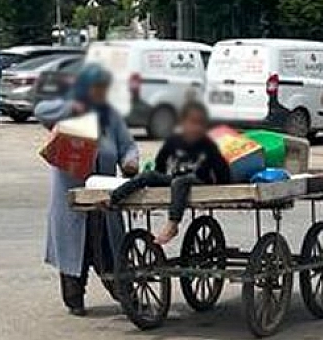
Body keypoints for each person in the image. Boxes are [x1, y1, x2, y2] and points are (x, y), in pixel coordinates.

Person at [36, 64, 140, 316]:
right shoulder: (66, 109)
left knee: (110, 250)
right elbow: (40, 110)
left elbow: (127, 145)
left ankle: (128, 298)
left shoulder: (110, 116)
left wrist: (129, 161)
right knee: (74, 254)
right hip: (71, 199)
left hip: (104, 197)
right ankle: (74, 298)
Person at [109, 101, 232, 246]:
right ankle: (113, 199)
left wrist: (219, 184)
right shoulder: (173, 142)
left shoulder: (207, 145)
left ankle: (173, 224)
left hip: (199, 180)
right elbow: (159, 167)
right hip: (176, 179)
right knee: (148, 176)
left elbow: (223, 172)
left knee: (180, 181)